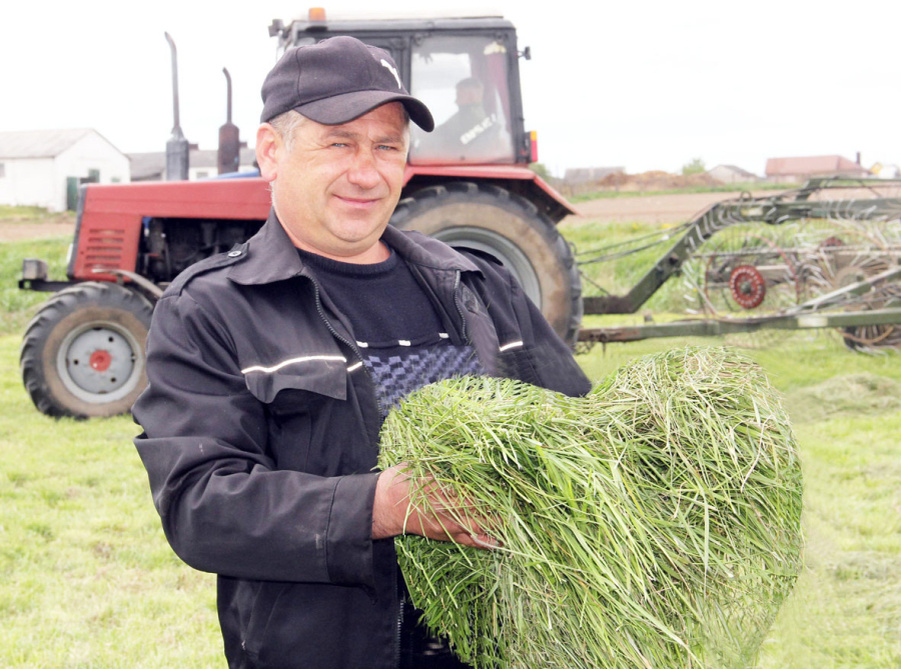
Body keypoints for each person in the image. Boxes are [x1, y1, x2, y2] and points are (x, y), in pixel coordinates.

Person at [132, 35, 590, 669]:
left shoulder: (481, 284)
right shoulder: (210, 309)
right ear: (271, 152)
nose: (366, 171)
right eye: (338, 143)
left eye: (386, 146)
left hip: (507, 648)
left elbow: (577, 430)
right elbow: (200, 505)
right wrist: (380, 507)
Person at [430, 76, 507, 162]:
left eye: (459, 96)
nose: (456, 101)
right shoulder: (482, 120)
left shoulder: (469, 118)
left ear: (471, 96)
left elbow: (441, 133)